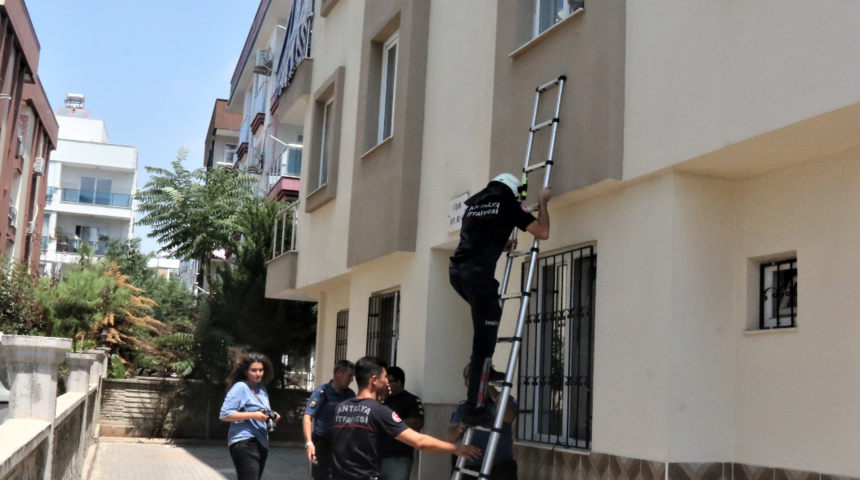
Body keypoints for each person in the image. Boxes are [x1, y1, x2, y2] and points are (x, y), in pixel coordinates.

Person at [449, 173, 551, 426]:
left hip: (457, 273)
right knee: (483, 343)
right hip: (478, 279)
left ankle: (483, 369)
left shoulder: (475, 206)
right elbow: (543, 232)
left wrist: (499, 244)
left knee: (487, 324)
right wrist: (543, 202)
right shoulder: (509, 205)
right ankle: (474, 409)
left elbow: (478, 236)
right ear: (513, 191)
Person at [330, 356, 481, 480]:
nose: (387, 383)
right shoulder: (379, 411)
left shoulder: (341, 408)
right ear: (374, 380)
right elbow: (419, 441)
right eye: (384, 378)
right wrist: (456, 449)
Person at [448, 364, 519, 480]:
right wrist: (459, 429)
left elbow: (509, 416)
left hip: (499, 471)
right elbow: (450, 437)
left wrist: (491, 389)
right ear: (467, 384)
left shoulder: (505, 400)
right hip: (470, 470)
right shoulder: (464, 407)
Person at [219, 353, 281, 480]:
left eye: (261, 370)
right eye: (254, 370)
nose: (258, 373)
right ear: (246, 372)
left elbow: (261, 411)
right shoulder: (240, 387)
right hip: (245, 441)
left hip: (261, 442)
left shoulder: (261, 388)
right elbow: (225, 414)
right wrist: (254, 415)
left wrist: (271, 416)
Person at [304, 360, 356, 480]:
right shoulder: (321, 393)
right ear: (338, 373)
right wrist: (309, 442)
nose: (351, 380)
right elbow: (308, 417)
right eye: (349, 376)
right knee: (322, 475)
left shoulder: (350, 394)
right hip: (323, 444)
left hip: (342, 444)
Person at [380, 366, 425, 480]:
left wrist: (389, 422)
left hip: (399, 457)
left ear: (399, 382)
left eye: (388, 382)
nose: (385, 385)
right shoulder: (381, 400)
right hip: (377, 456)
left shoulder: (412, 400)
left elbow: (417, 423)